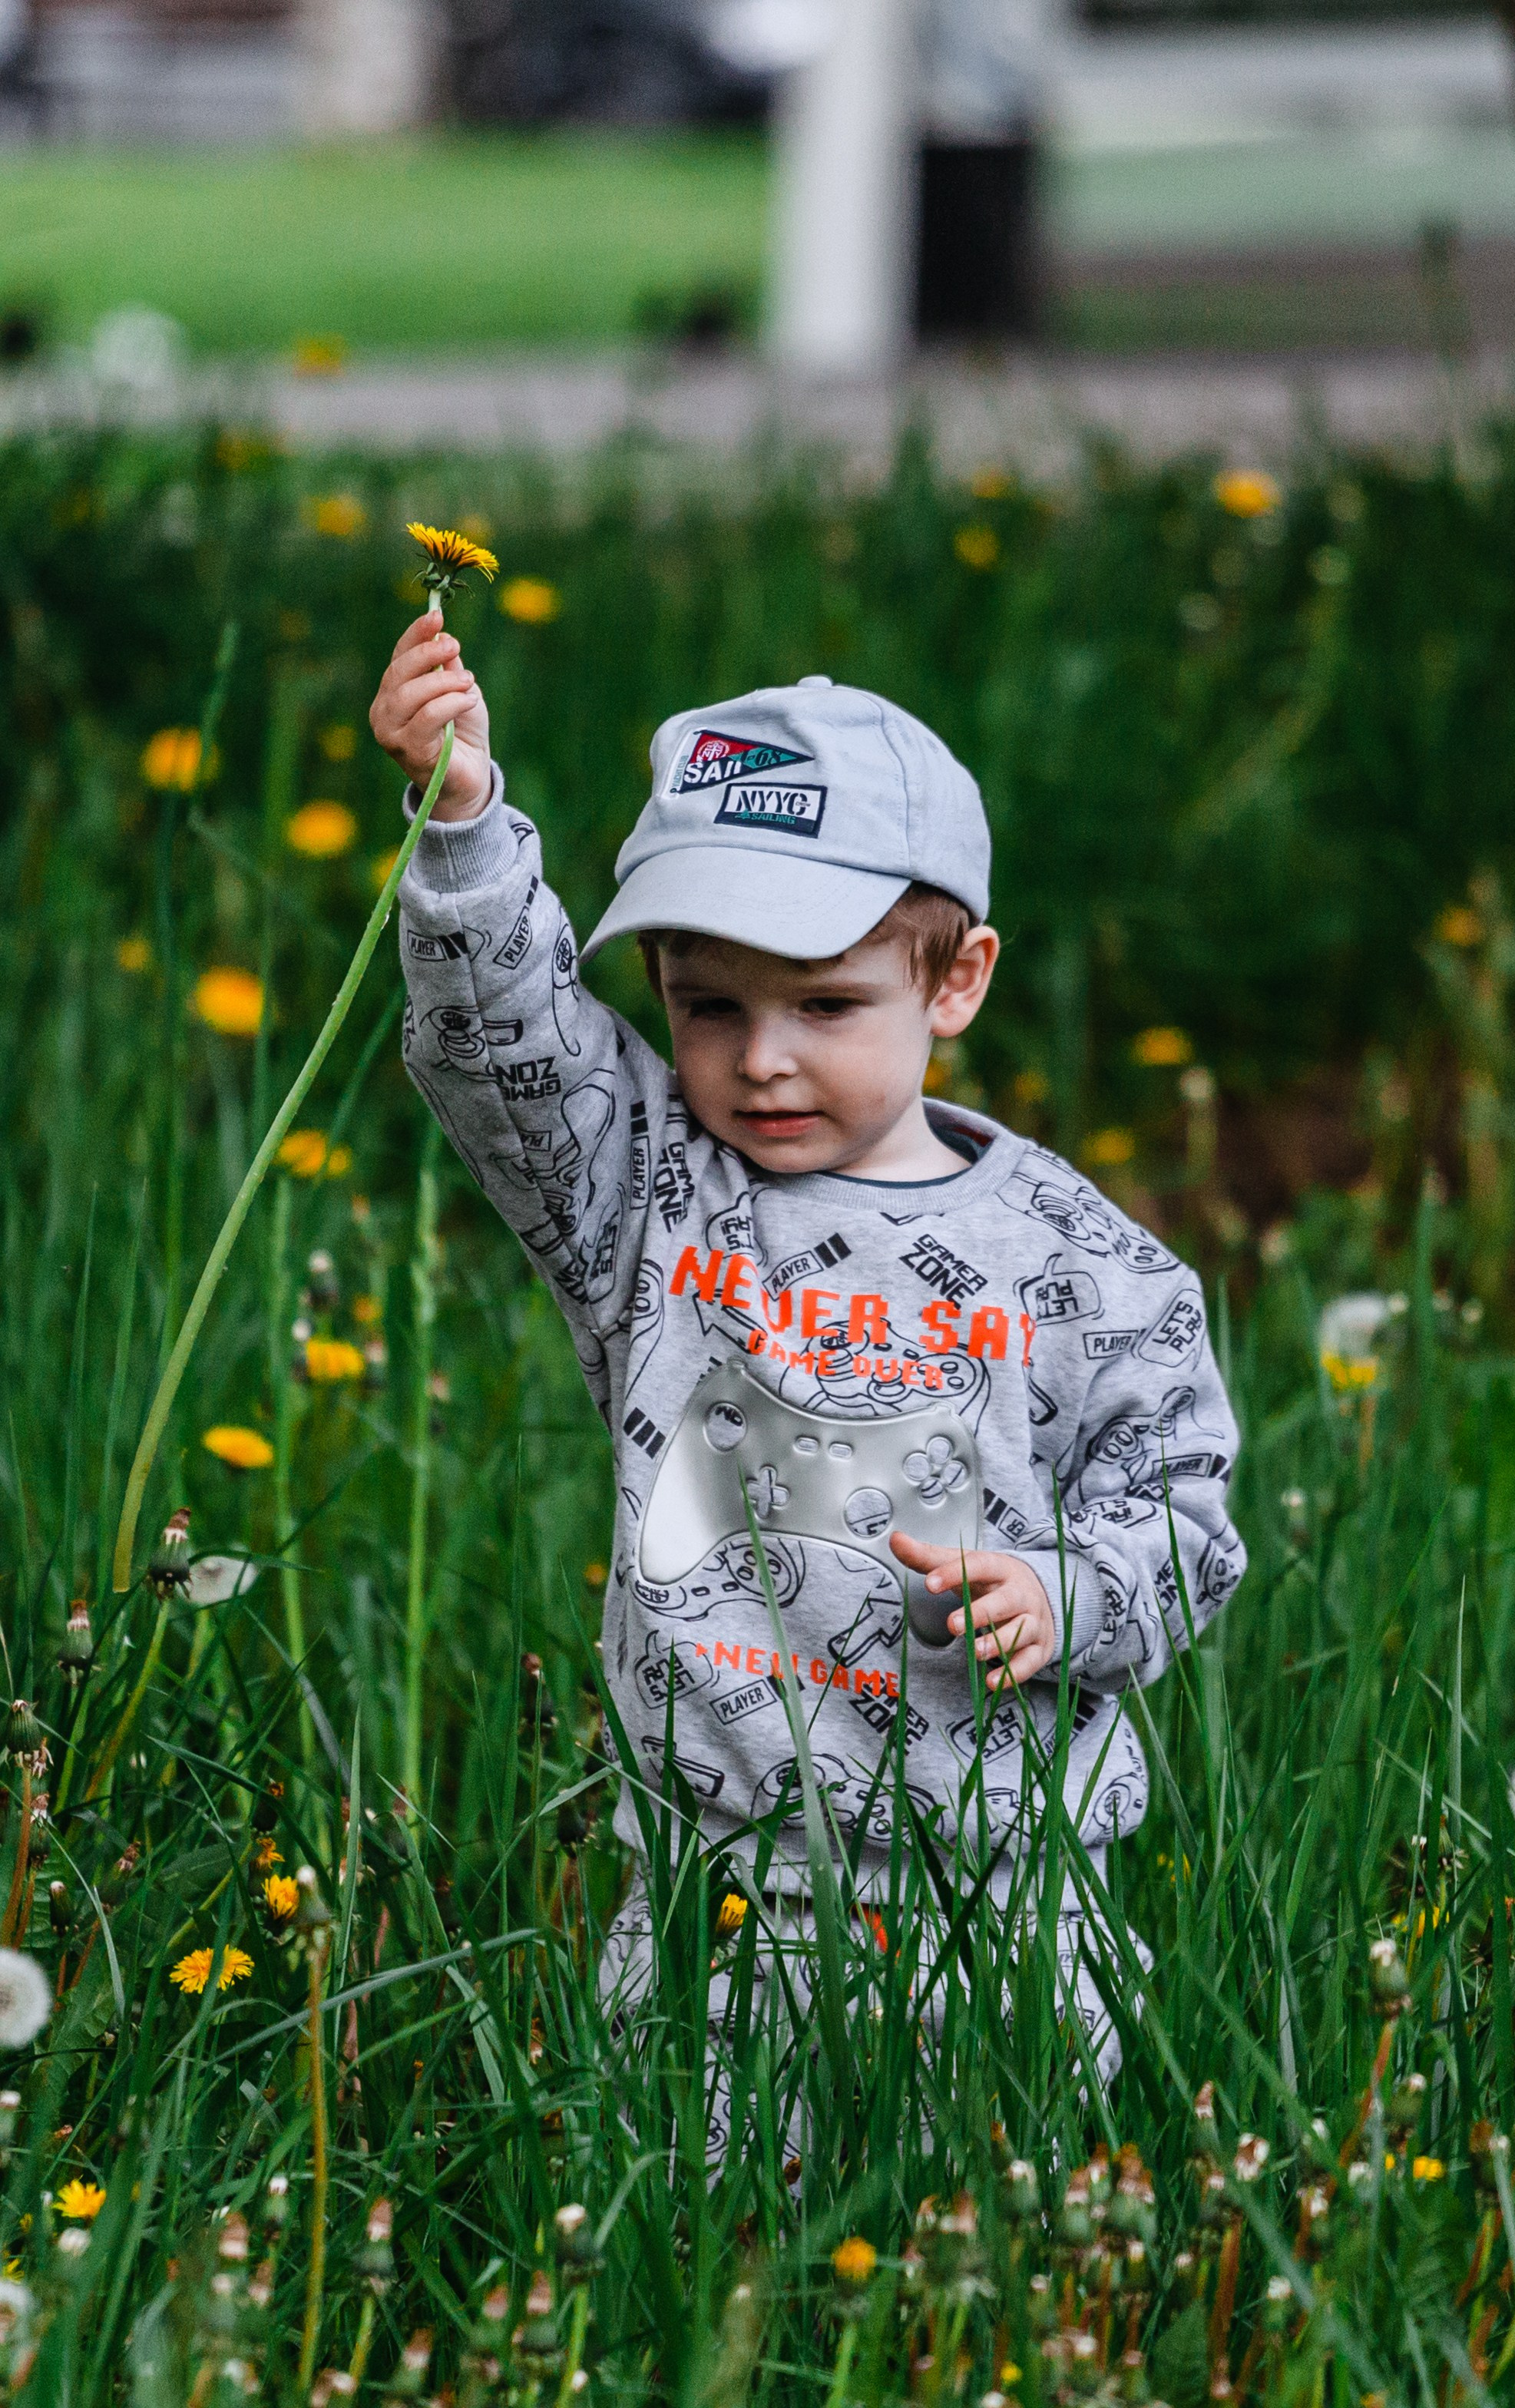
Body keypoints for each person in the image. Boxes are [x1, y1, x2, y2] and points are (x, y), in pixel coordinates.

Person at [369, 611, 1245, 2094]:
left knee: (1013, 2243)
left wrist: (1071, 1592)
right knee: (701, 2252)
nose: (760, 1058)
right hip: (719, 1897)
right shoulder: (645, 1194)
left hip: (1014, 1892)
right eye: (708, 1005)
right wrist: (462, 826)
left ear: (955, 982)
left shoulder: (1087, 1260)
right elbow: (502, 1043)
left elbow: (1182, 1517)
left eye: (827, 1006)